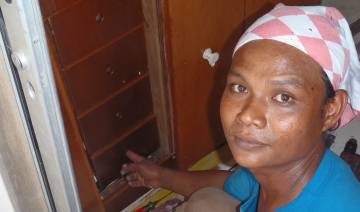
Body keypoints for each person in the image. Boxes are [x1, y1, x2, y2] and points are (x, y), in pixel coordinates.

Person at [121, 4, 360, 211]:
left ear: (331, 110)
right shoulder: (274, 166)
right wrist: (160, 177)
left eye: (284, 97)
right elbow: (232, 184)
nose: (247, 115)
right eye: (239, 88)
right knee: (204, 201)